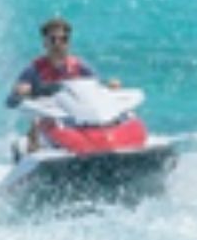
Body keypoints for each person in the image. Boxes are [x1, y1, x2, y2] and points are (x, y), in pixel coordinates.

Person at [7, 18, 120, 154]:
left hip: (76, 116)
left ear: (68, 42)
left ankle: (106, 146)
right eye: (53, 39)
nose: (58, 44)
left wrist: (109, 86)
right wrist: (20, 90)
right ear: (45, 43)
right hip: (49, 117)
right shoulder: (34, 69)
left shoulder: (79, 66)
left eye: (63, 39)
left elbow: (97, 87)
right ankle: (34, 158)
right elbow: (14, 95)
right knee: (36, 122)